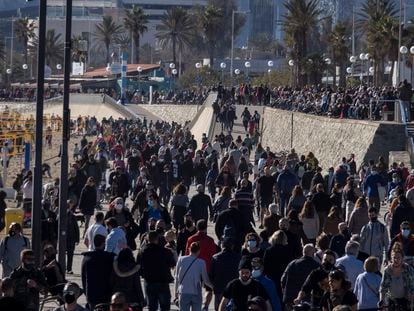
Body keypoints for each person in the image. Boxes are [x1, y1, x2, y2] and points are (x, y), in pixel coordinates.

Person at [138, 230, 176, 311]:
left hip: (149, 282)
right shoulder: (165, 251)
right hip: (163, 282)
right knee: (165, 307)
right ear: (157, 239)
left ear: (147, 239)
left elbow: (139, 268)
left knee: (152, 307)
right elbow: (172, 264)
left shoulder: (142, 252)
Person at [175, 242, 213, 311]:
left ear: (189, 249)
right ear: (199, 251)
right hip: (196, 292)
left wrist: (176, 291)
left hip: (183, 292)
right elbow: (206, 280)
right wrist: (213, 287)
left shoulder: (181, 259)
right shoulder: (201, 262)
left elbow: (177, 277)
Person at [82, 234, 115, 311]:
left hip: (91, 294)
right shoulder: (109, 258)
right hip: (106, 294)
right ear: (103, 243)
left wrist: (86, 292)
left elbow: (83, 277)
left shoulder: (87, 258)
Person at [281, 244, 320, 308]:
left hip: (290, 299)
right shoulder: (316, 266)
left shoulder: (292, 263)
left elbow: (283, 279)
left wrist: (285, 292)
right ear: (313, 253)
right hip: (307, 301)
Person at [211, 237, 241, 310]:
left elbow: (211, 274)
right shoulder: (238, 257)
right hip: (234, 289)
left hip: (219, 289)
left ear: (222, 245)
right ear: (232, 246)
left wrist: (213, 286)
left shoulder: (215, 257)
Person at [379, 245, 414, 310]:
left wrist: (412, 302)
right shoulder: (388, 270)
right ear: (391, 258)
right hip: (392, 300)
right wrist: (381, 301)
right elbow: (383, 287)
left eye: (398, 258)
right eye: (394, 257)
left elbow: (411, 288)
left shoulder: (408, 269)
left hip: (405, 300)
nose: (396, 260)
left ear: (402, 258)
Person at [263, 230, 294, 299]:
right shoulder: (288, 250)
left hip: (272, 276)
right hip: (284, 276)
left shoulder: (268, 250)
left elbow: (265, 265)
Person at [66, 200, 80, 274]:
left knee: (70, 254)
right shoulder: (60, 216)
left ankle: (69, 268)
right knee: (62, 253)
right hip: (64, 238)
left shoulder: (73, 217)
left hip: (71, 238)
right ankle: (63, 267)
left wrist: (77, 239)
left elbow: (76, 228)